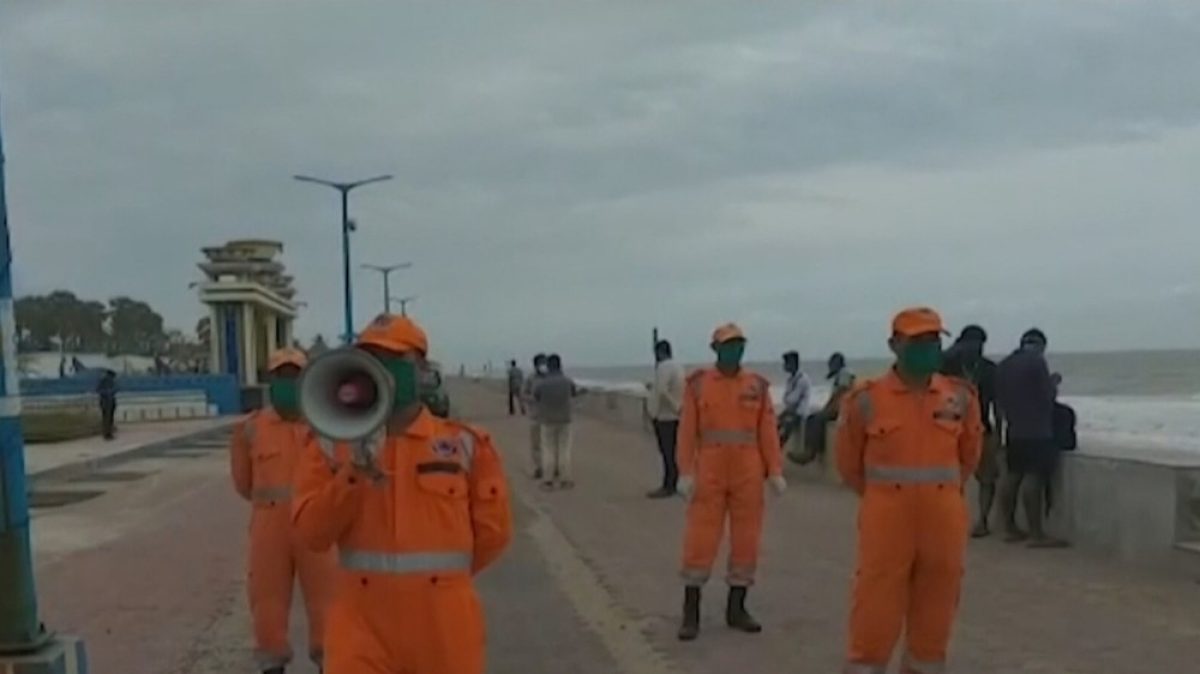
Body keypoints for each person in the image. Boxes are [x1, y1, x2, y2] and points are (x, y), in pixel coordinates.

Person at [292, 314, 513, 674]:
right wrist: (352, 477)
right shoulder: (329, 447)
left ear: (421, 368)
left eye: (396, 360)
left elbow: (493, 535)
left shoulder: (465, 445)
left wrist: (439, 583)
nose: (383, 370)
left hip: (444, 625)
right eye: (372, 360)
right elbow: (311, 535)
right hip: (360, 626)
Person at [835, 307, 982, 673]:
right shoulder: (865, 399)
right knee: (875, 610)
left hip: (943, 522)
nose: (927, 348)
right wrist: (890, 498)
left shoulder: (960, 398)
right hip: (887, 520)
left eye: (933, 341)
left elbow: (969, 459)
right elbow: (849, 465)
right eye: (917, 341)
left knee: (936, 615)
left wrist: (937, 495)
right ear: (894, 345)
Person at [676, 323, 786, 641]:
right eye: (727, 344)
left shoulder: (757, 386)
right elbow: (686, 432)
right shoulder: (698, 385)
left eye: (739, 344)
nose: (734, 350)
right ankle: (690, 613)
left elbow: (767, 431)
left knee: (746, 541)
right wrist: (685, 471)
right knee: (700, 539)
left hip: (747, 472)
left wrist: (774, 470)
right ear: (715, 349)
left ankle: (737, 608)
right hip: (709, 469)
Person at [230, 348, 335, 674]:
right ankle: (272, 665)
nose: (288, 384)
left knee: (327, 604)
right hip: (269, 528)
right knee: (267, 604)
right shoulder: (250, 429)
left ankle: (329, 663)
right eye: (281, 377)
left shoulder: (328, 424)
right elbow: (243, 483)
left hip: (317, 528)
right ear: (270, 382)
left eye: (295, 377)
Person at [995, 328, 1068, 548]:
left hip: (1014, 429)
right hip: (1037, 429)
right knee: (1033, 478)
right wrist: (1053, 382)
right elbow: (1047, 396)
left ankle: (1009, 528)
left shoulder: (1005, 364)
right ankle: (1037, 534)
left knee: (1011, 477)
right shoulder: (1036, 362)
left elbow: (999, 401)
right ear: (1041, 345)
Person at [939, 325, 1001, 538]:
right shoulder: (949, 365)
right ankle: (963, 519)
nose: (977, 348)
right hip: (959, 428)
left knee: (982, 478)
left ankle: (977, 520)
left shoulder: (986, 369)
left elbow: (997, 404)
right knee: (961, 478)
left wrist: (999, 434)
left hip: (970, 428)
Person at [792, 352, 855, 465]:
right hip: (837, 407)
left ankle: (810, 453)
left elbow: (841, 391)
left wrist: (827, 407)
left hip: (843, 408)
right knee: (811, 418)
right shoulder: (840, 373)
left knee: (817, 419)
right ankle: (810, 449)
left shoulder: (845, 373)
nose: (829, 367)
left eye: (831, 364)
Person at [533, 353, 581, 490]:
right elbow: (574, 393)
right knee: (564, 450)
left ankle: (548, 480)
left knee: (548, 450)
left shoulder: (542, 383)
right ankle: (565, 479)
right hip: (565, 419)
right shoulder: (567, 381)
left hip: (547, 419)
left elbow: (536, 396)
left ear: (548, 367)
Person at [647, 339, 685, 498]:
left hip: (665, 416)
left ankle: (668, 485)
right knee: (674, 452)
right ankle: (674, 483)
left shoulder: (663, 367)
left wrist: (674, 405)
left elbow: (662, 390)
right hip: (676, 416)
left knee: (667, 452)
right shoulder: (678, 366)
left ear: (659, 353)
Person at [521, 353, 549, 479]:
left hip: (552, 416)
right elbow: (523, 394)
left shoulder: (552, 377)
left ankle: (553, 467)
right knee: (536, 444)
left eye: (545, 362)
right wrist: (533, 399)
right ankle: (540, 467)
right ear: (536, 365)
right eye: (542, 363)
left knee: (550, 444)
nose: (544, 365)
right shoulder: (531, 379)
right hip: (536, 415)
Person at [778, 351, 811, 457]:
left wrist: (788, 401)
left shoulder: (802, 379)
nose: (784, 366)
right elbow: (786, 399)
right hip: (791, 411)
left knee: (786, 426)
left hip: (799, 413)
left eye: (786, 363)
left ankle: (778, 449)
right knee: (773, 423)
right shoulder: (791, 379)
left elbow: (792, 400)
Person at [96, 369, 118, 440]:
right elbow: (98, 390)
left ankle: (108, 433)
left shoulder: (111, 381)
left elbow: (116, 389)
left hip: (110, 401)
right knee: (107, 418)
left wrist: (111, 392)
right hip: (106, 401)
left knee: (109, 418)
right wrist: (107, 392)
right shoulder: (103, 381)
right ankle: (107, 433)